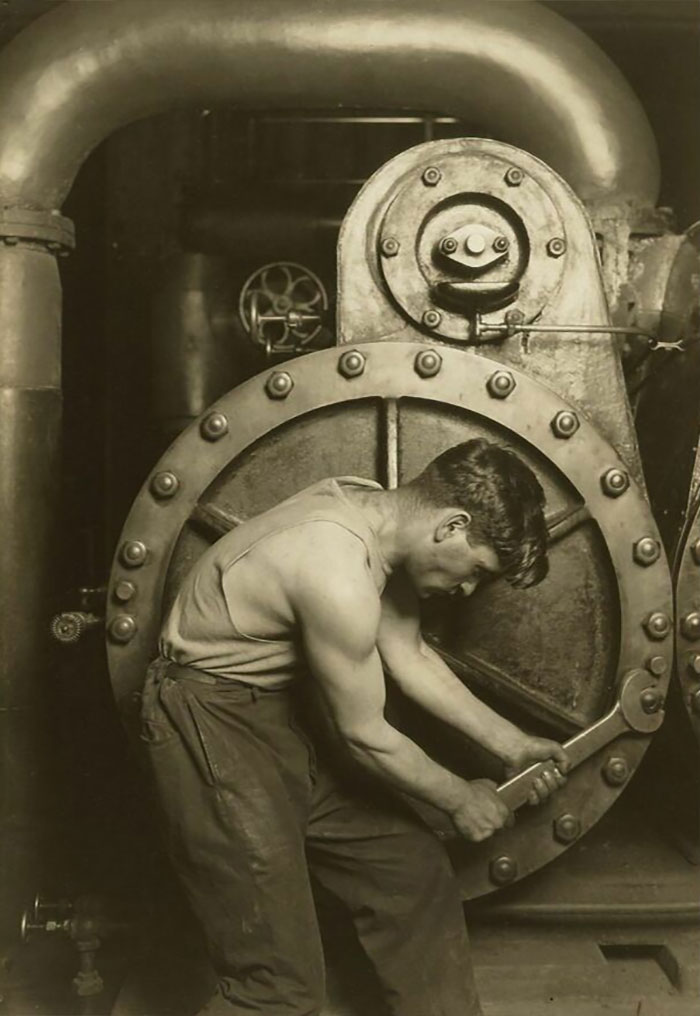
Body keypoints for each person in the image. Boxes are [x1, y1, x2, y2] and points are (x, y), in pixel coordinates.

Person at [140, 437, 569, 1016]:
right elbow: (364, 734)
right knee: (278, 985)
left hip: (273, 716)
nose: (467, 590)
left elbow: (408, 651)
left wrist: (511, 744)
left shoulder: (372, 512)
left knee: (409, 872)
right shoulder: (334, 568)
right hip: (208, 723)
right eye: (476, 570)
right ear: (451, 526)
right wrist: (458, 798)